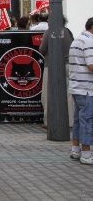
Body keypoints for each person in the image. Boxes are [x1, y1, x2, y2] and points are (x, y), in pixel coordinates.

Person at [39, 17, 74, 130]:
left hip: (51, 65)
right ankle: (70, 121)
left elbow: (42, 49)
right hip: (68, 65)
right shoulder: (68, 31)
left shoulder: (49, 32)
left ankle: (49, 121)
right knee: (69, 94)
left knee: (48, 93)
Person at [67, 17, 93, 164]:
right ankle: (87, 153)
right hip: (87, 88)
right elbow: (91, 65)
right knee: (87, 120)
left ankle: (75, 150)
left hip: (77, 87)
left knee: (78, 120)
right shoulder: (90, 41)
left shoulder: (77, 40)